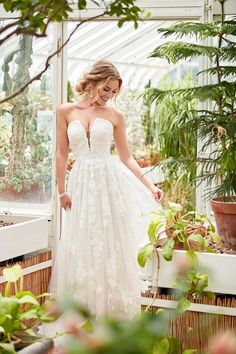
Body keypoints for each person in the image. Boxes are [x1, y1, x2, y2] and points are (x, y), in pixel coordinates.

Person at [50, 60, 164, 319]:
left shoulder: (115, 116)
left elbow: (127, 157)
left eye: (113, 92)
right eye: (106, 89)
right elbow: (60, 153)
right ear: (92, 82)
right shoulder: (65, 111)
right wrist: (61, 190)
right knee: (81, 244)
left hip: (107, 185)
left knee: (108, 244)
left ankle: (112, 316)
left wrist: (150, 185)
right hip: (79, 184)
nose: (109, 96)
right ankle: (83, 314)